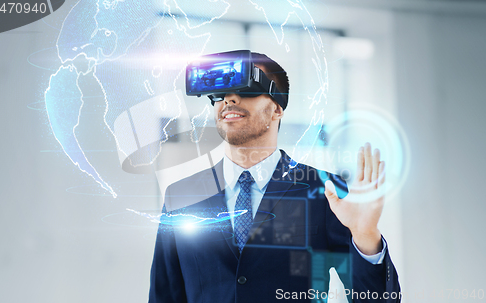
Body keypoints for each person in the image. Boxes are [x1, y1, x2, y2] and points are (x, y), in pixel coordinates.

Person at [149, 52, 400, 302]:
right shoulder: (181, 194)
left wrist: (366, 236)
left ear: (277, 110)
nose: (229, 99)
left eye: (246, 90)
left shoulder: (325, 191)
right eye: (221, 93)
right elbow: (164, 295)